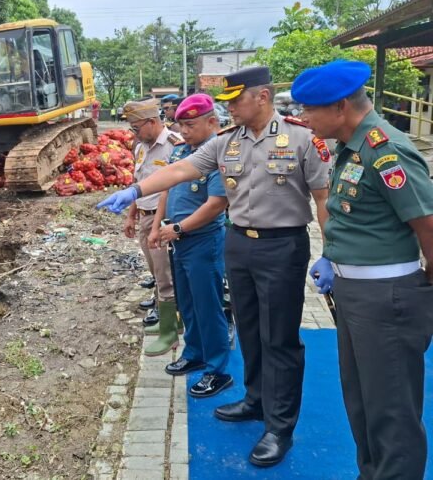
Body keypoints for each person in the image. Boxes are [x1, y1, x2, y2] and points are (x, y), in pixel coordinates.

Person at [97, 66, 330, 467]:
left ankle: (279, 427)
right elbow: (180, 169)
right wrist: (135, 190)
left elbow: (323, 198)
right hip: (239, 244)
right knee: (252, 330)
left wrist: (332, 252)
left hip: (283, 246)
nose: (230, 109)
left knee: (281, 339)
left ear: (263, 96)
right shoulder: (227, 142)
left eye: (236, 100)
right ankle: (255, 400)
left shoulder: (301, 137)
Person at [294, 60, 433, 480]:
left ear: (339, 107)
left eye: (309, 109)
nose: (303, 118)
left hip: (388, 298)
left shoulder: (384, 149)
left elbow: (427, 223)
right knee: (362, 401)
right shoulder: (350, 147)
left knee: (391, 411)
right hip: (358, 296)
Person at [149, 94, 232, 398]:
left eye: (191, 125)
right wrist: (159, 225)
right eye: (181, 125)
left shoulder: (219, 156)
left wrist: (179, 228)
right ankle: (194, 352)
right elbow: (165, 188)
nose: (184, 131)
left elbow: (216, 205)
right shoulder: (181, 152)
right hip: (177, 240)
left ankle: (218, 370)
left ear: (212, 122)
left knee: (209, 307)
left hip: (202, 241)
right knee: (188, 303)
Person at [124, 99, 181, 356]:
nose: (134, 133)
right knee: (155, 271)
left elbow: (167, 192)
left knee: (165, 273)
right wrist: (131, 216)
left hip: (162, 218)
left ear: (152, 122)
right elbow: (139, 182)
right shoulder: (140, 147)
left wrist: (157, 225)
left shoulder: (174, 146)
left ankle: (170, 331)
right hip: (145, 217)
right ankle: (166, 317)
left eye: (137, 127)